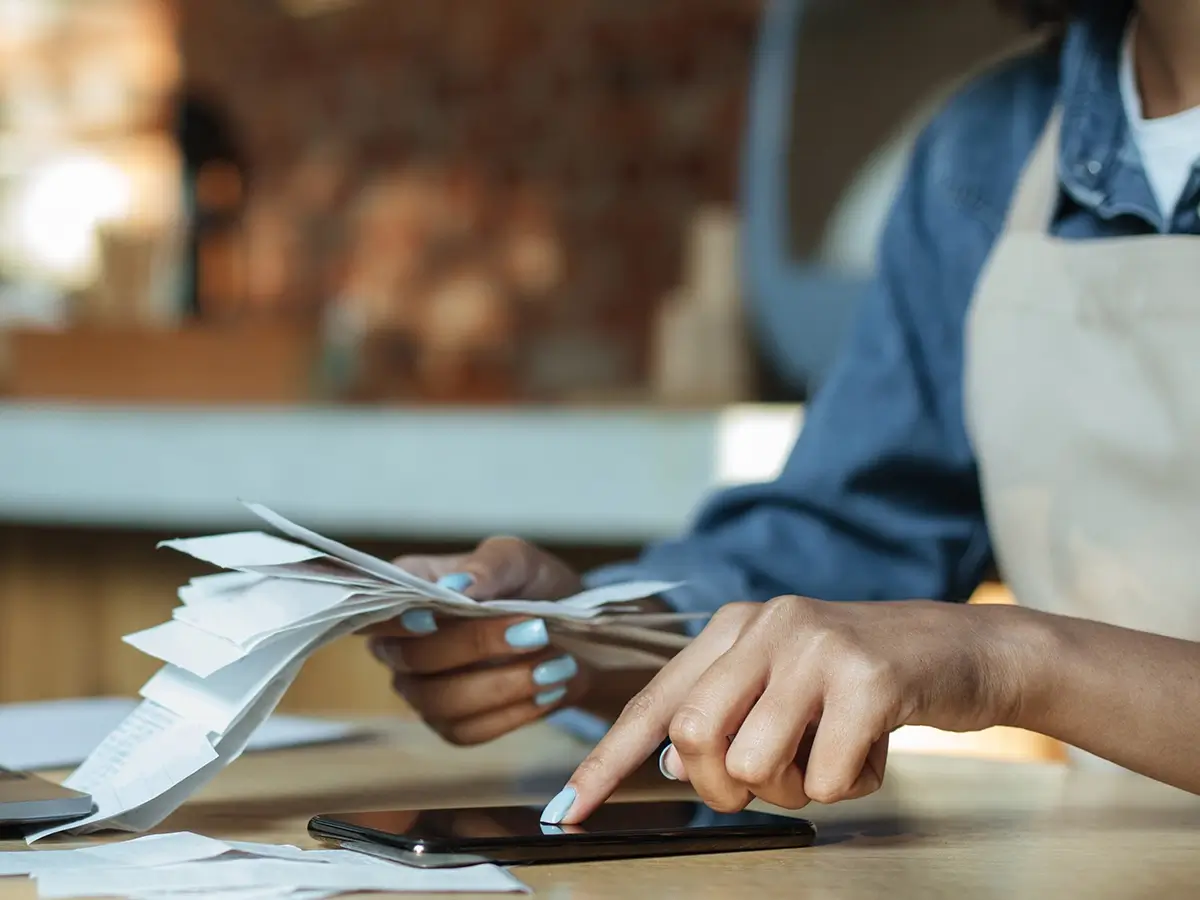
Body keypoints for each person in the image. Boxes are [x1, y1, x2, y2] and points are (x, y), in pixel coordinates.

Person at [366, 0, 1200, 820]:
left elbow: (964, 643)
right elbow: (858, 537)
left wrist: (1008, 660)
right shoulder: (991, 146)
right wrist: (587, 634)